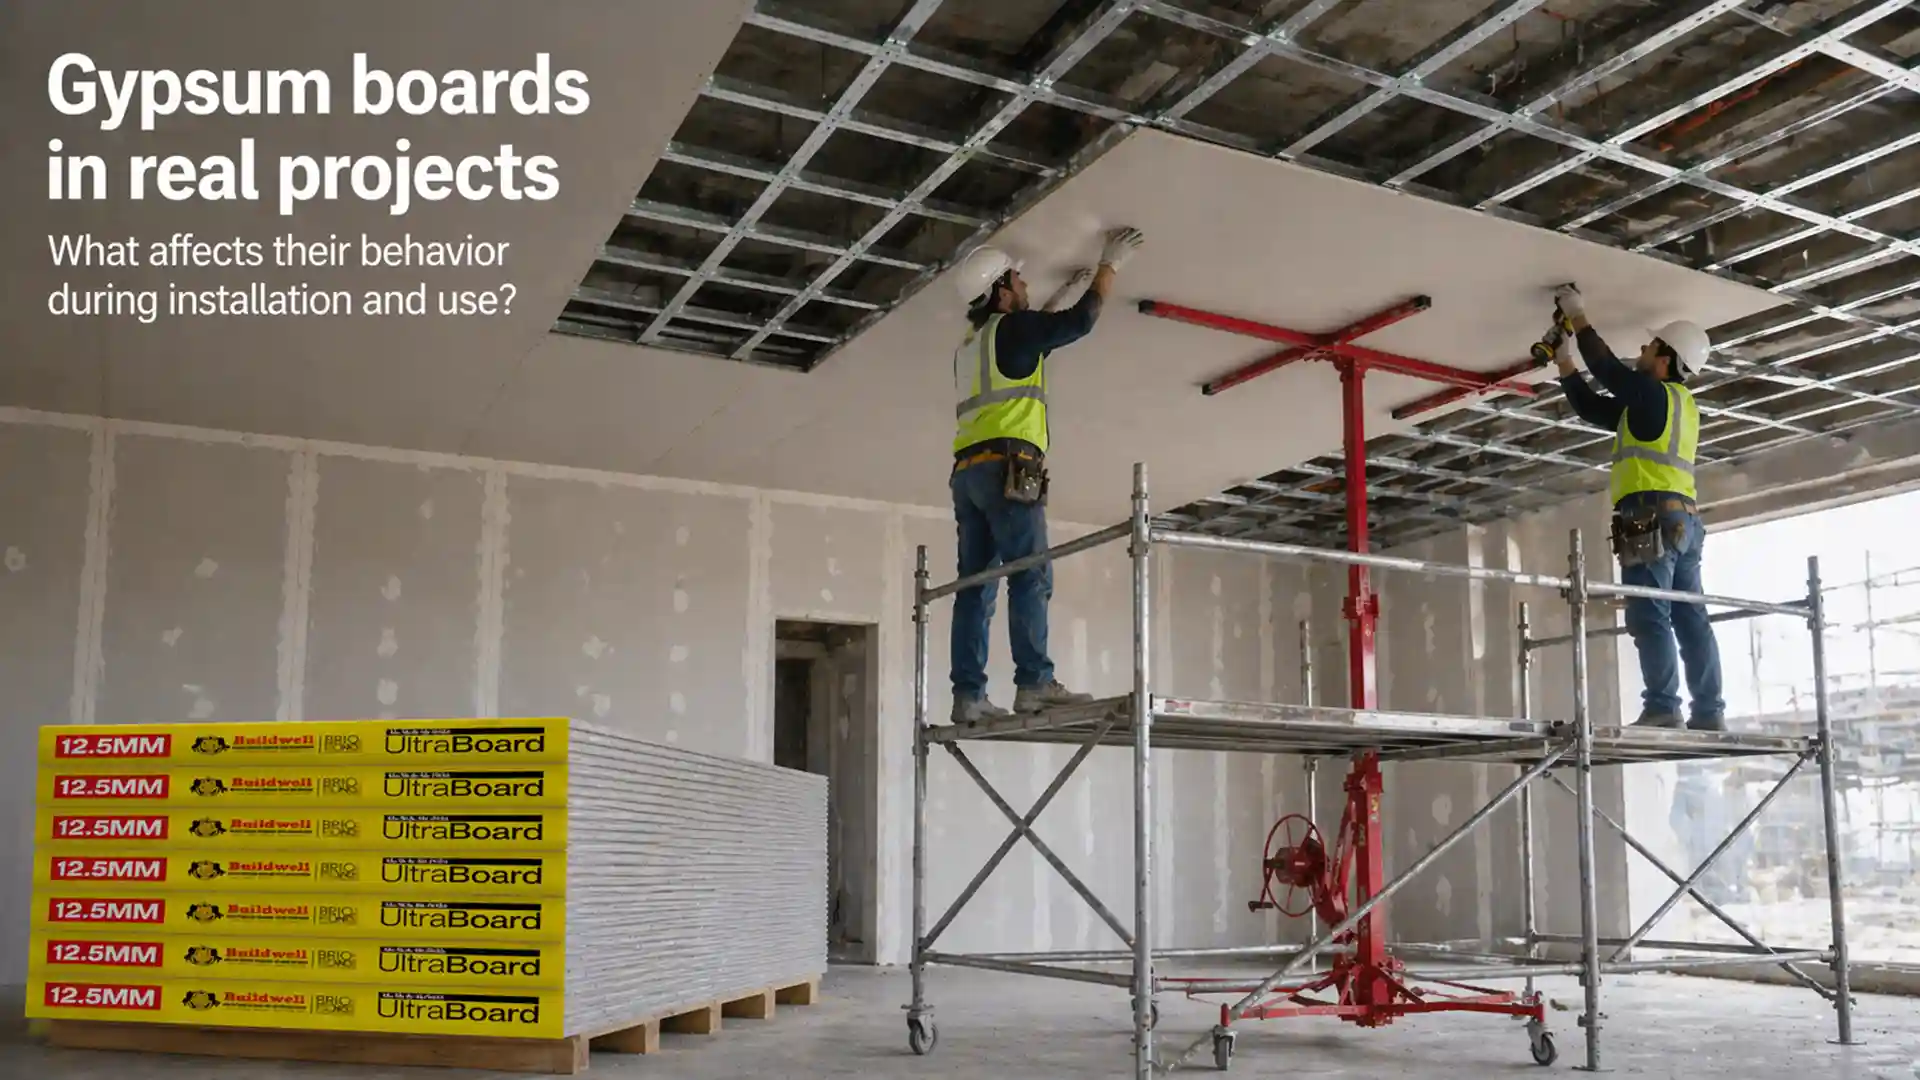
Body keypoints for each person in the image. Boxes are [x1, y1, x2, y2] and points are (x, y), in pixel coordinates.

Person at [946, 227, 1145, 723]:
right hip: (1007, 471)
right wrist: (1108, 266)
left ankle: (968, 697)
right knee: (1030, 575)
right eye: (1018, 280)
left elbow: (1031, 343)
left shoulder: (972, 345)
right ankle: (1034, 683)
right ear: (1001, 290)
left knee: (976, 586)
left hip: (968, 474)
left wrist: (1056, 296)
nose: (1025, 286)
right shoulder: (1012, 331)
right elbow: (1079, 323)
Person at [1549, 283, 1726, 731]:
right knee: (1690, 618)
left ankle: (1664, 707)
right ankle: (1709, 713)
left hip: (1651, 519)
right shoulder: (1672, 406)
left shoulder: (1653, 396)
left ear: (1664, 360)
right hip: (1683, 521)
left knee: (1651, 615)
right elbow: (1594, 407)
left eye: (1649, 346)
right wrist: (1564, 359)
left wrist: (1579, 316)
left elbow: (1607, 371)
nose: (1642, 350)